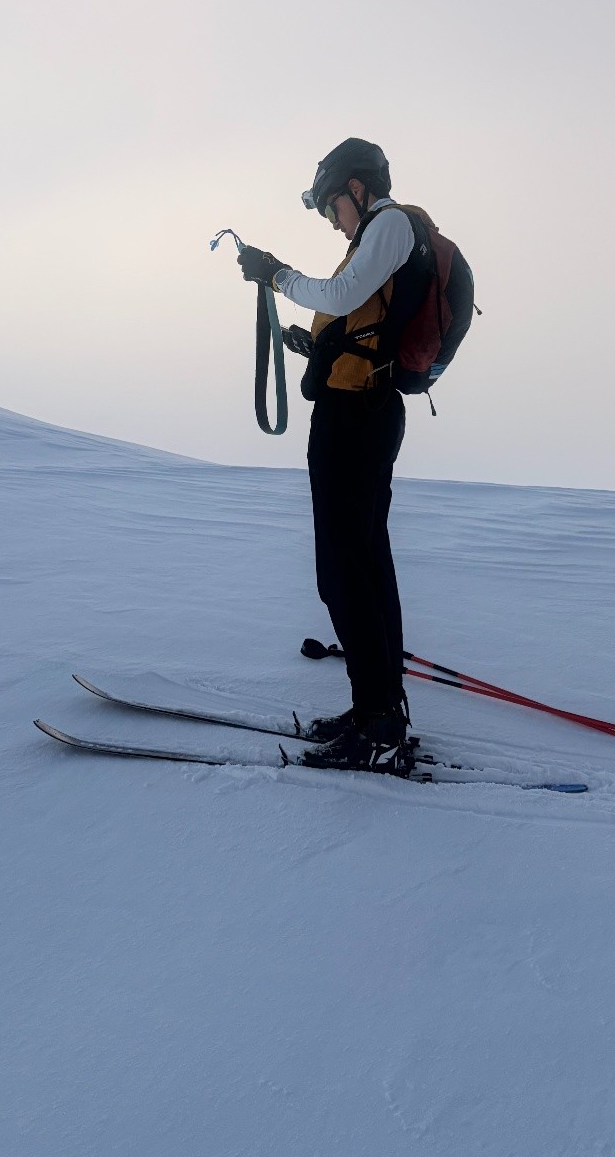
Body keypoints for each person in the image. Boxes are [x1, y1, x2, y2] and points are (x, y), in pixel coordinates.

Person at [237, 138, 428, 775]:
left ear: (356, 187)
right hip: (355, 417)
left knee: (347, 570)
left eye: (330, 207)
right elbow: (354, 322)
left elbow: (341, 296)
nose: (331, 219)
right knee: (359, 566)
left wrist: (277, 275)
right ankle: (375, 710)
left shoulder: (391, 224)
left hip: (360, 423)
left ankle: (379, 723)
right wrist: (309, 343)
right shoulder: (378, 238)